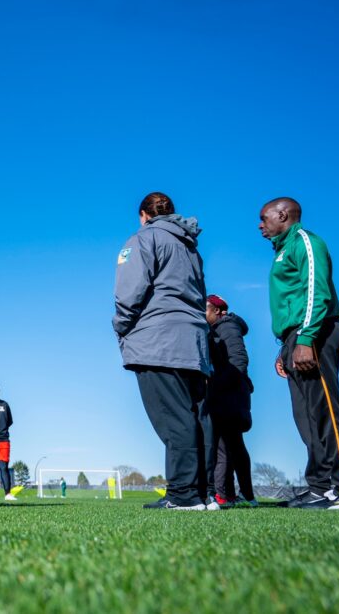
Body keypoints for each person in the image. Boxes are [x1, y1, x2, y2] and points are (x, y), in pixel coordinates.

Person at [259, 198, 339, 510]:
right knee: (306, 418)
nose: (260, 226)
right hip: (296, 338)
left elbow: (317, 291)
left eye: (264, 219)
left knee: (327, 411)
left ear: (283, 214)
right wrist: (285, 347)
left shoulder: (305, 242)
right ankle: (319, 488)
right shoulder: (281, 251)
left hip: (316, 333)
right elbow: (291, 302)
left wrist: (305, 338)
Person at [113, 192, 211, 511]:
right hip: (194, 341)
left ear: (144, 215)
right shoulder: (190, 247)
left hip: (158, 340)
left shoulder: (143, 239)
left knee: (173, 418)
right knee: (195, 417)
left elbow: (130, 290)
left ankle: (184, 495)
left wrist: (121, 326)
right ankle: (201, 492)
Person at [205, 295, 257, 508]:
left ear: (218, 311)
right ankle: (246, 495)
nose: (203, 313)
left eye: (205, 309)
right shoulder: (222, 327)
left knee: (224, 445)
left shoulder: (227, 327)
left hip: (229, 394)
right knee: (234, 445)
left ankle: (225, 495)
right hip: (232, 392)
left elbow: (238, 360)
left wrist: (219, 385)